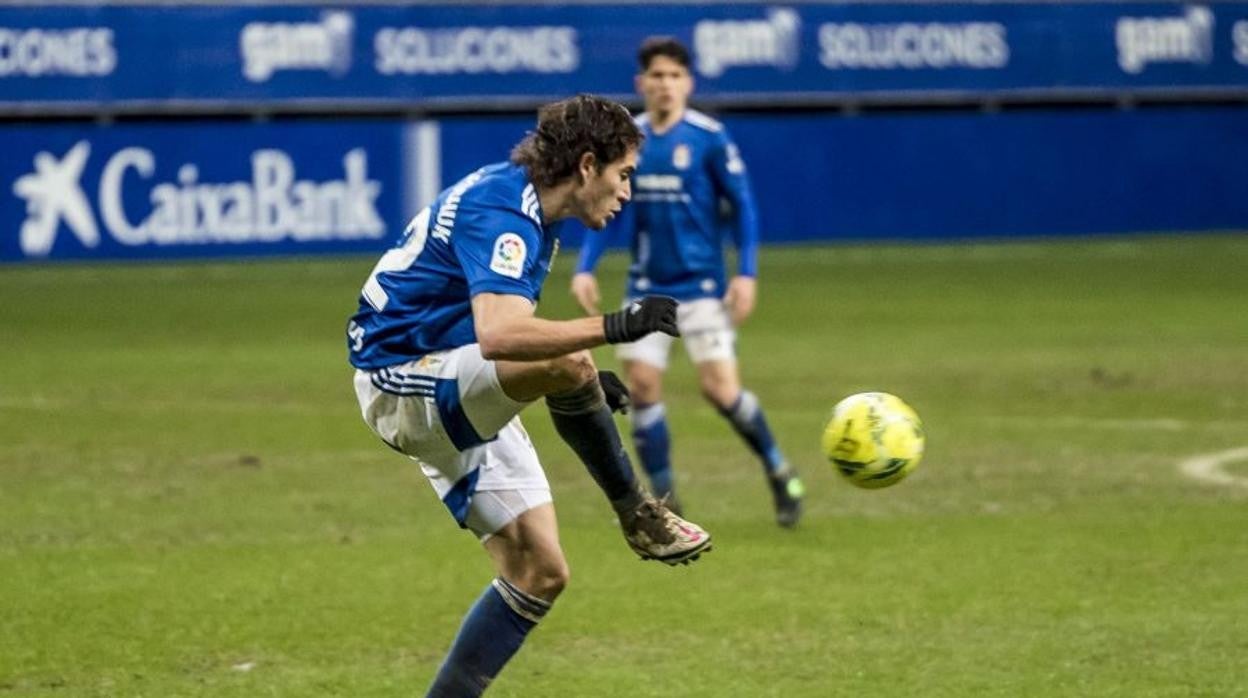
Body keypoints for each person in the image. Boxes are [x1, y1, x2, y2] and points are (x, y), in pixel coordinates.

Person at [347, 94, 712, 698]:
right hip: (400, 379)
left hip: (443, 375)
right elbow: (499, 335)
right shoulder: (505, 209)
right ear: (588, 165)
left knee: (540, 572)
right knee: (570, 360)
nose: (626, 193)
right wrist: (617, 327)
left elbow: (506, 338)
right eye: (623, 175)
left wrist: (586, 382)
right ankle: (637, 514)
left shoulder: (530, 212)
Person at [571, 37, 805, 528]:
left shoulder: (709, 137)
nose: (665, 85)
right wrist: (586, 265)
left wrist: (746, 274)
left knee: (721, 392)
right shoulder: (628, 140)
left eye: (675, 76)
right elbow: (609, 210)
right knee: (642, 387)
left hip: (702, 290)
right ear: (641, 83)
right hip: (645, 287)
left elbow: (744, 208)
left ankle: (780, 471)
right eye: (656, 76)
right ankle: (664, 502)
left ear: (688, 83)